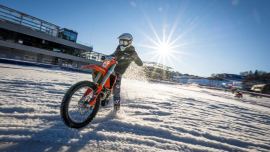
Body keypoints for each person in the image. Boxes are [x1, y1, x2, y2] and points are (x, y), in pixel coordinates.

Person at [109, 33, 143, 111]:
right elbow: (113, 54)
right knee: (104, 83)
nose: (122, 44)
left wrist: (134, 57)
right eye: (121, 42)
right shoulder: (118, 48)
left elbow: (140, 63)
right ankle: (102, 98)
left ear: (130, 42)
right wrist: (107, 57)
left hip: (119, 71)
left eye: (124, 42)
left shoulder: (132, 52)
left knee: (116, 89)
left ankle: (116, 108)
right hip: (111, 68)